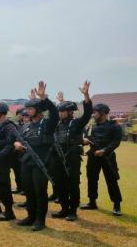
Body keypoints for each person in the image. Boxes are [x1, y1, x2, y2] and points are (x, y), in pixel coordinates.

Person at [14, 81, 59, 231]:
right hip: (26, 162)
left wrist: (43, 97)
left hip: (42, 162)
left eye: (31, 108)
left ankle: (40, 220)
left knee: (40, 191)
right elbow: (18, 140)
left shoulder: (47, 124)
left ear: (38, 109)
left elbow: (55, 112)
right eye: (27, 108)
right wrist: (17, 145)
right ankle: (30, 216)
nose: (27, 111)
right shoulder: (26, 126)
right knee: (28, 190)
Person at [51, 81, 92, 221]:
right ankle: (64, 208)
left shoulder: (76, 123)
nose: (60, 113)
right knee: (59, 183)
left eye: (62, 111)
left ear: (69, 112)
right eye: (59, 111)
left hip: (72, 156)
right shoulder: (56, 125)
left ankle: (73, 210)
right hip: (57, 157)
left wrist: (86, 95)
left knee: (72, 184)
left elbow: (87, 114)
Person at [81, 103, 123, 216]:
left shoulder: (114, 126)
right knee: (92, 179)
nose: (93, 115)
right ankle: (92, 202)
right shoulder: (92, 126)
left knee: (112, 180)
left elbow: (116, 142)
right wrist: (85, 141)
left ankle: (117, 205)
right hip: (93, 156)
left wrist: (104, 151)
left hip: (107, 157)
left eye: (95, 112)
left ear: (103, 113)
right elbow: (88, 138)